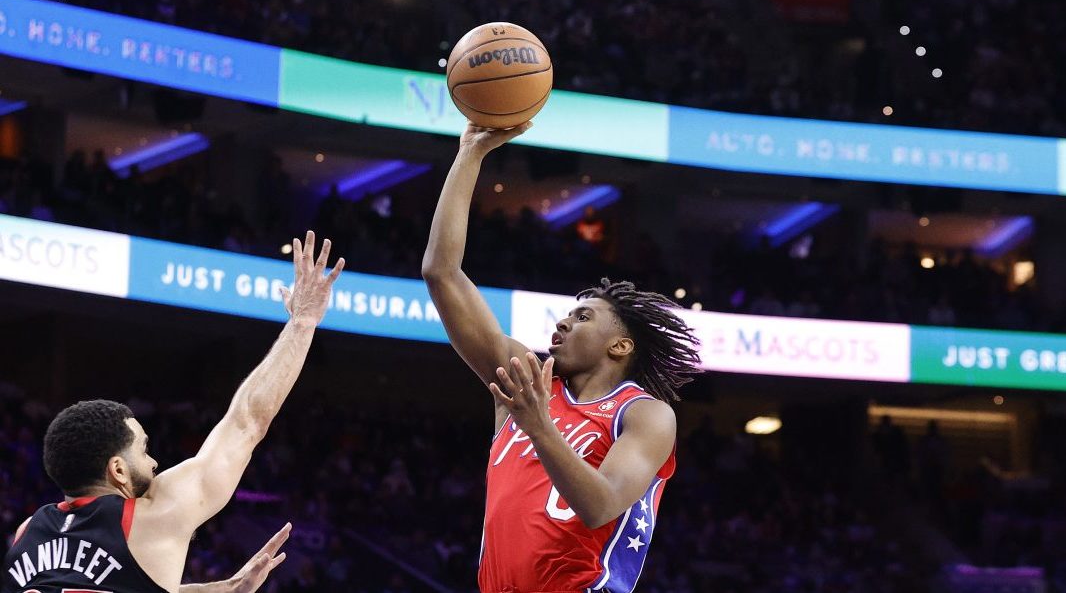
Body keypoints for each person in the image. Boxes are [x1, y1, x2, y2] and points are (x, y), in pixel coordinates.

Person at [422, 122, 701, 593]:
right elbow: (441, 273)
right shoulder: (527, 381)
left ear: (620, 345)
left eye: (584, 317)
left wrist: (539, 427)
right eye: (566, 314)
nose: (563, 323)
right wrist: (471, 153)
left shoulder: (644, 414)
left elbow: (602, 504)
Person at [3, 231, 344, 593]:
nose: (153, 463)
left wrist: (225, 589)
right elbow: (246, 423)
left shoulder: (28, 532)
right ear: (117, 470)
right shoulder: (152, 516)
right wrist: (303, 323)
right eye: (142, 449)